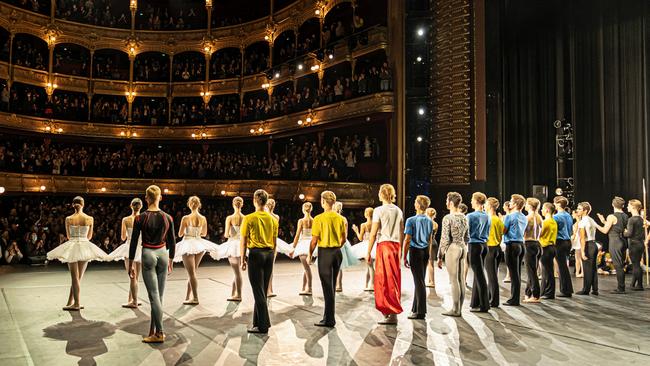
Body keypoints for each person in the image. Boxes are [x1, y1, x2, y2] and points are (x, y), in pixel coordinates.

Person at [129, 185, 176, 343]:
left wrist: (130, 263)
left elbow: (134, 242)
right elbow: (172, 242)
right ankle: (154, 329)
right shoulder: (168, 217)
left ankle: (160, 333)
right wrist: (171, 260)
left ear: (146, 198)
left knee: (154, 296)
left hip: (148, 253)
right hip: (163, 253)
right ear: (160, 198)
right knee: (159, 297)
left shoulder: (140, 218)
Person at [47, 196, 107, 311]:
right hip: (84, 246)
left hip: (73, 245)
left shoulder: (68, 218)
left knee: (75, 277)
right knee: (78, 278)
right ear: (83, 204)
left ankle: (77, 303)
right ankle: (71, 301)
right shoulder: (89, 218)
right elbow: (89, 237)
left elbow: (68, 236)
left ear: (73, 205)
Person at [240, 189, 278, 334]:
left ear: (255, 200)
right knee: (262, 290)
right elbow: (274, 243)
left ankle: (263, 325)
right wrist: (272, 258)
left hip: (256, 255)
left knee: (258, 292)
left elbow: (243, 241)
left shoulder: (249, 218)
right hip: (269, 254)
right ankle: (257, 322)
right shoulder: (273, 219)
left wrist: (243, 258)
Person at [367, 184, 404, 324]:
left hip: (384, 246)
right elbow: (401, 231)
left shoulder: (378, 210)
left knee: (384, 280)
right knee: (393, 279)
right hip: (395, 246)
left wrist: (368, 251)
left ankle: (392, 313)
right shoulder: (398, 210)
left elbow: (373, 233)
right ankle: (389, 311)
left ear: (381, 194)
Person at [309, 191, 346, 327]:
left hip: (325, 253)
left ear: (323, 201)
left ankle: (329, 319)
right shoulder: (341, 219)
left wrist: (309, 254)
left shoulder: (319, 218)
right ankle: (329, 316)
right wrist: (337, 247)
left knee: (327, 287)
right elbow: (344, 238)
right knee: (332, 285)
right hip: (337, 253)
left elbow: (314, 241)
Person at [173, 196, 219, 305]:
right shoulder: (203, 218)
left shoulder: (185, 218)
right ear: (199, 205)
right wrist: (196, 232)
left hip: (189, 243)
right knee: (192, 273)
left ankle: (195, 298)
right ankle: (188, 296)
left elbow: (180, 234)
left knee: (192, 274)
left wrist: (188, 231)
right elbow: (204, 234)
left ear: (189, 205)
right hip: (199, 244)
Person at [107, 198, 143, 308]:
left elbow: (123, 237)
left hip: (129, 247)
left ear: (131, 206)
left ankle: (134, 301)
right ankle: (131, 299)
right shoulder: (144, 218)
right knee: (136, 277)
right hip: (140, 248)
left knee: (132, 276)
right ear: (140, 207)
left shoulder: (126, 219)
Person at [437, 192, 469, 317]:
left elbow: (444, 238)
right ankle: (459, 309)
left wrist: (440, 255)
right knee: (461, 279)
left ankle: (455, 309)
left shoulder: (448, 218)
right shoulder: (464, 217)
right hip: (462, 247)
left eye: (446, 200)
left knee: (453, 280)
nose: (445, 203)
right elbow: (467, 236)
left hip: (453, 248)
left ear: (451, 203)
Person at [402, 195, 434, 319]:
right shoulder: (430, 221)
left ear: (418, 205)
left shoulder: (411, 220)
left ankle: (421, 311)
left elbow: (407, 239)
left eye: (415, 201)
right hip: (425, 251)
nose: (414, 203)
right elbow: (430, 239)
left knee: (419, 282)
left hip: (415, 251)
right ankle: (415, 308)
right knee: (420, 280)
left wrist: (404, 256)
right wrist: (429, 254)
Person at [212, 196, 245, 301]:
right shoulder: (245, 218)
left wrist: (231, 232)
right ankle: (233, 293)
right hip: (242, 244)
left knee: (237, 272)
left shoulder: (230, 218)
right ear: (242, 205)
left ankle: (238, 295)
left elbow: (226, 234)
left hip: (233, 244)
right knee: (237, 271)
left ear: (233, 204)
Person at [595, 197, 628, 294]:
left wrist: (595, 224)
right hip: (622, 240)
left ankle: (621, 288)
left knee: (618, 265)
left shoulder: (611, 216)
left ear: (613, 205)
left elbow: (605, 231)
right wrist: (604, 221)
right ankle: (621, 286)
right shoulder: (625, 215)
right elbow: (615, 227)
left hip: (615, 241)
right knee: (620, 264)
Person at [466, 192, 491, 312]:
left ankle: (484, 305)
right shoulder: (487, 216)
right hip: (484, 245)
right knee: (478, 274)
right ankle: (475, 302)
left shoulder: (470, 216)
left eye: (472, 199)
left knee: (479, 275)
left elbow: (466, 233)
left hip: (474, 245)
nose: (470, 201)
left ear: (476, 201)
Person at [265, 198, 293, 297]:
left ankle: (268, 289)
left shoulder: (268, 216)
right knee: (270, 267)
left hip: (269, 240)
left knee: (267, 267)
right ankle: (269, 289)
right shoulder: (275, 216)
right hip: (272, 240)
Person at [502, 194, 527, 306]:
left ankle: (514, 299)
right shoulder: (524, 217)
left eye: (511, 201)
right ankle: (515, 297)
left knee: (513, 273)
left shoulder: (509, 216)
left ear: (516, 204)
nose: (509, 203)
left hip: (511, 245)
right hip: (521, 244)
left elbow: (503, 230)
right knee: (517, 273)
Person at [333, 201, 359, 292]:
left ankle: (336, 284)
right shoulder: (344, 218)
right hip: (342, 241)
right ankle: (339, 285)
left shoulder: (334, 218)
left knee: (334, 265)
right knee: (339, 266)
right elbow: (346, 233)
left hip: (335, 241)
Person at [291, 202, 315, 295]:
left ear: (303, 209)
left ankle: (309, 289)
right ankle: (304, 287)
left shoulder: (301, 221)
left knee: (307, 268)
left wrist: (293, 247)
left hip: (304, 243)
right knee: (306, 268)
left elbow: (297, 235)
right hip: (311, 244)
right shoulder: (314, 220)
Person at [575, 202, 599, 296]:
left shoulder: (582, 222)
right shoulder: (591, 219)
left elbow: (582, 238)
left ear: (585, 211)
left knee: (587, 269)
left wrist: (582, 252)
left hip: (588, 245)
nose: (577, 210)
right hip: (594, 244)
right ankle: (595, 289)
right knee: (593, 268)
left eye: (580, 209)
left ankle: (586, 289)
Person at [552, 196, 574, 297]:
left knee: (562, 267)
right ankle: (567, 289)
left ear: (558, 204)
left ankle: (565, 290)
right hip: (568, 241)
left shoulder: (556, 217)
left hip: (560, 242)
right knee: (564, 265)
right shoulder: (568, 215)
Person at [485, 197, 504, 308]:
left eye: (486, 204)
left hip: (490, 248)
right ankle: (490, 297)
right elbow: (503, 232)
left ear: (490, 206)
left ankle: (494, 300)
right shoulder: (498, 219)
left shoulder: (489, 219)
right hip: (497, 248)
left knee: (491, 276)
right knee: (493, 275)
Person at [523, 198, 543, 304]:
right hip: (537, 244)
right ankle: (528, 293)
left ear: (530, 206)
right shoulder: (539, 217)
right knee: (532, 270)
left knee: (531, 271)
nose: (525, 205)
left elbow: (522, 232)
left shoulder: (527, 218)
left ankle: (535, 295)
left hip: (529, 244)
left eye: (526, 204)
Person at [352, 207, 376, 291]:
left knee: (370, 266)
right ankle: (366, 284)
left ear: (366, 214)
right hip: (374, 245)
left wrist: (356, 231)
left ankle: (372, 285)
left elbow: (360, 238)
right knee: (369, 266)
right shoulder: (376, 223)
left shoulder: (364, 225)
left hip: (367, 245)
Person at [624, 199, 645, 291]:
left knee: (636, 265)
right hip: (640, 243)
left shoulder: (631, 220)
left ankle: (640, 285)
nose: (627, 207)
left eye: (628, 205)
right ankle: (633, 284)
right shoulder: (641, 219)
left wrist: (622, 232)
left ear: (633, 207)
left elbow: (629, 234)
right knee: (636, 264)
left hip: (634, 244)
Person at [539, 203, 558, 299]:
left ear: (547, 210)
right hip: (552, 247)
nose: (541, 210)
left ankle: (548, 293)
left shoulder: (546, 222)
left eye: (542, 208)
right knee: (547, 271)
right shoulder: (553, 221)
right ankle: (545, 292)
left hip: (546, 248)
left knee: (546, 272)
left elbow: (539, 234)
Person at [425, 208, 439, 288]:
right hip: (434, 242)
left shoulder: (427, 223)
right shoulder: (435, 224)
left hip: (429, 243)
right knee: (431, 263)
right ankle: (430, 281)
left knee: (429, 264)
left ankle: (432, 282)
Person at [571, 211, 583, 278]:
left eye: (573, 213)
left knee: (579, 258)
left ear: (576, 214)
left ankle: (582, 272)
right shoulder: (577, 222)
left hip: (578, 241)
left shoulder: (579, 223)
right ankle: (578, 272)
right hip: (577, 241)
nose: (572, 214)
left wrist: (572, 239)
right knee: (577, 258)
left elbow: (575, 234)